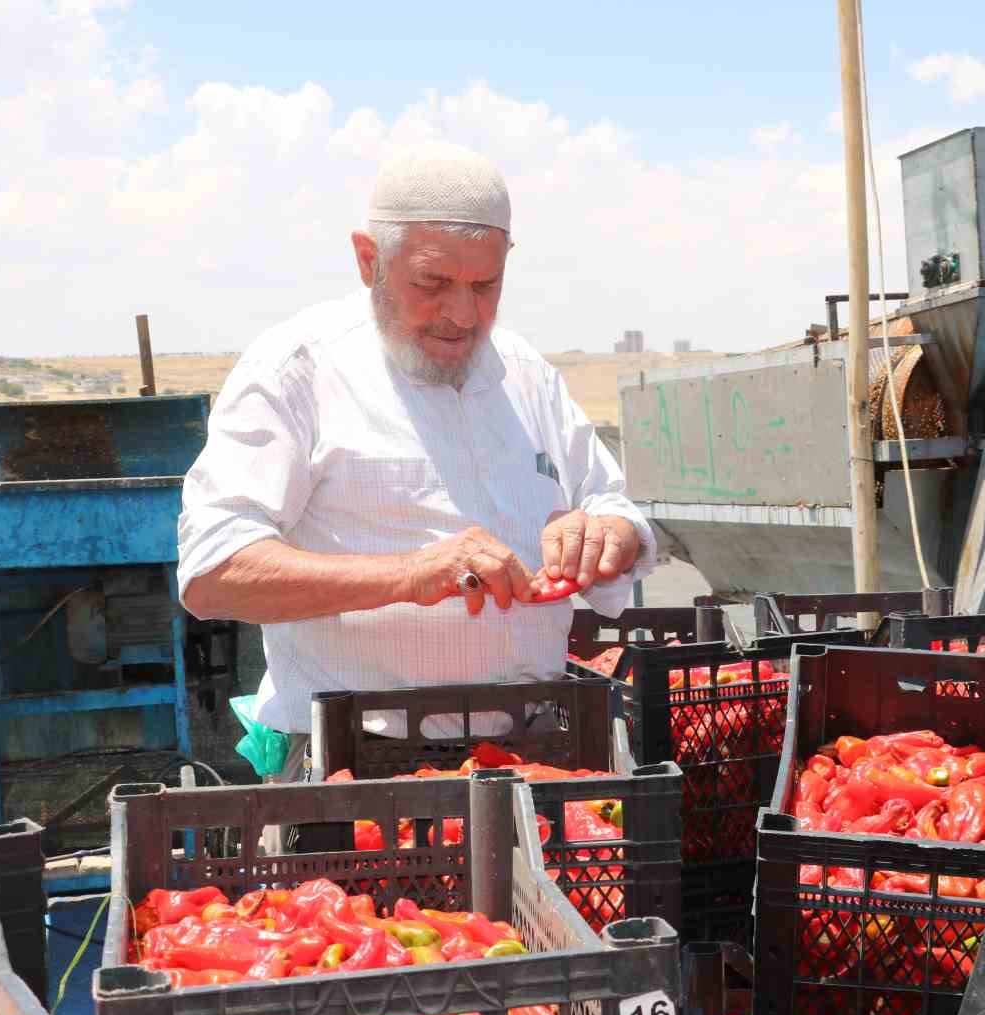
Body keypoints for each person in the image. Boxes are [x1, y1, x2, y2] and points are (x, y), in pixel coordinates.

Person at [177, 142, 656, 782]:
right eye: (432, 284)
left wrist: (606, 535)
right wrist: (410, 573)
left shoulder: (526, 375)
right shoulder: (297, 371)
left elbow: (612, 508)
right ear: (369, 259)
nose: (462, 314)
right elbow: (214, 570)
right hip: (359, 776)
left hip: (533, 757)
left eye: (486, 286)